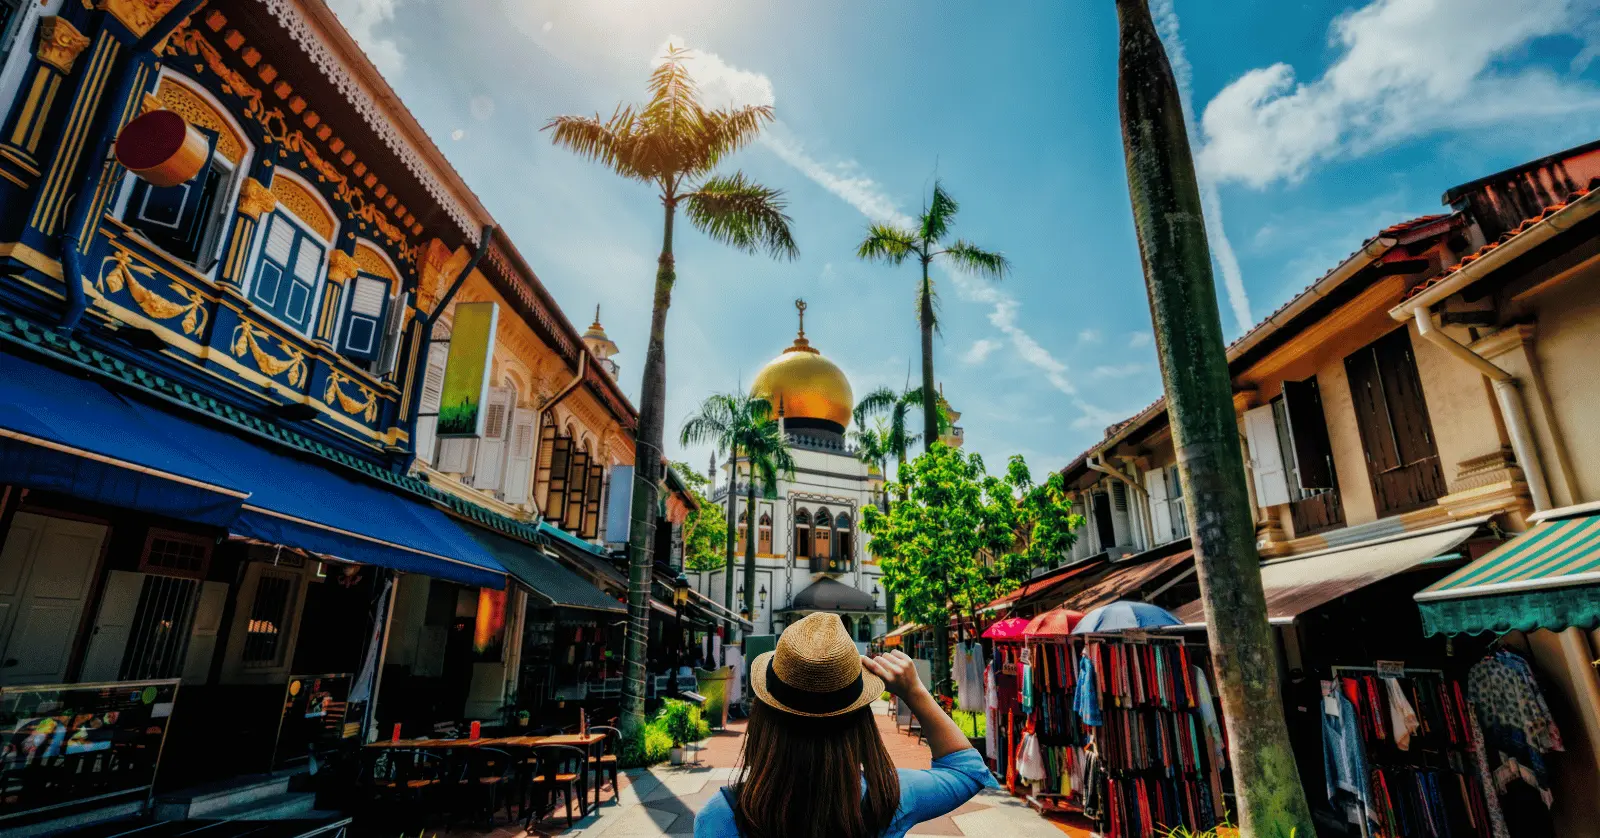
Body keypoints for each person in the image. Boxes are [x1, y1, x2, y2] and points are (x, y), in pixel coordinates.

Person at [695, 613, 995, 838]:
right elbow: (967, 770)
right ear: (860, 720)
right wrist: (914, 690)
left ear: (763, 716)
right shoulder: (890, 798)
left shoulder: (722, 816)